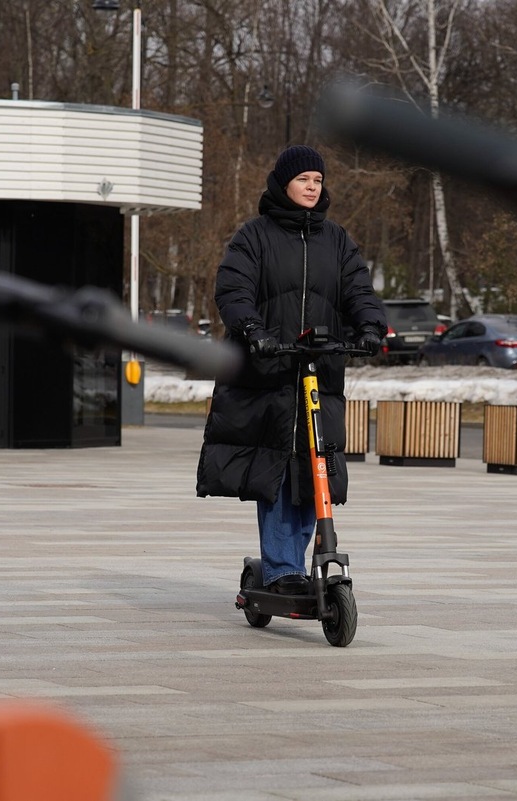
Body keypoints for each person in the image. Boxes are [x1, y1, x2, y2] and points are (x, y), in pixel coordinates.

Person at [196, 145, 387, 595]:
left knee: (313, 469)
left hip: (320, 374)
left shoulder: (336, 239)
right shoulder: (255, 236)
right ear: (284, 183)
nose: (312, 187)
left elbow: (359, 291)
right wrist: (253, 330)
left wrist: (370, 327)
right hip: (270, 371)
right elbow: (233, 290)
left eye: (318, 180)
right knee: (278, 470)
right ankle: (283, 569)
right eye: (303, 179)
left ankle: (295, 566)